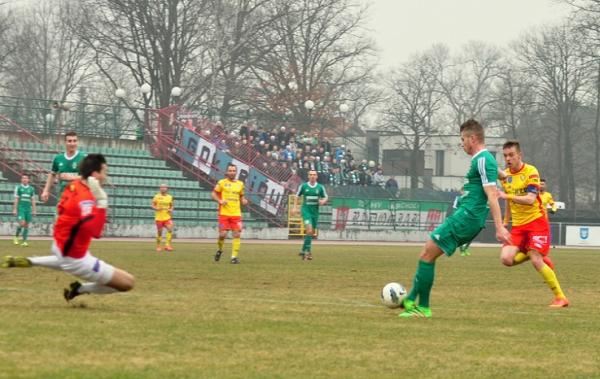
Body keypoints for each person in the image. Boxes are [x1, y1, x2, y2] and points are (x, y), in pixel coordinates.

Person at [398, 119, 511, 318]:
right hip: (467, 216)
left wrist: (500, 227)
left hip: (467, 217)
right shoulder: (484, 160)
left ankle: (422, 307)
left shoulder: (483, 159)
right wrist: (502, 174)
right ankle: (410, 300)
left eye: (463, 139)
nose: (462, 143)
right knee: (427, 253)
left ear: (473, 138)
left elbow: (492, 194)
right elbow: (495, 174)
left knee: (427, 255)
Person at [1, 154, 135, 302]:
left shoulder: (73, 185)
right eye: (104, 172)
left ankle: (30, 261)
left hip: (60, 244)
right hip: (76, 257)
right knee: (127, 282)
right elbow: (96, 232)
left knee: (64, 260)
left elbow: (64, 208)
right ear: (95, 174)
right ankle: (80, 288)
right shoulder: (85, 199)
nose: (106, 176)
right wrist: (102, 202)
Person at [497, 140, 569, 308]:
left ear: (519, 155)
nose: (508, 159)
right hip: (519, 227)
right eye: (505, 156)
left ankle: (561, 297)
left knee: (537, 260)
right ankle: (531, 253)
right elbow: (508, 202)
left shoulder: (531, 172)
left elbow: (530, 200)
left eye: (511, 155)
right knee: (506, 259)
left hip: (537, 222)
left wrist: (506, 196)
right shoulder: (506, 177)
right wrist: (505, 222)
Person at [212, 163, 248, 264]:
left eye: (233, 171)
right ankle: (220, 250)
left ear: (236, 172)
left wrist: (244, 200)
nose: (232, 172)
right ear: (227, 172)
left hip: (236, 214)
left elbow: (241, 196)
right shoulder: (222, 183)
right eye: (230, 171)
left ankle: (234, 257)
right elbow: (213, 193)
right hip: (223, 213)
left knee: (236, 234)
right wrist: (220, 201)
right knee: (222, 234)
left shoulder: (240, 184)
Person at [293, 170, 328, 261]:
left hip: (315, 212)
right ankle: (308, 252)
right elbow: (297, 196)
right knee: (309, 229)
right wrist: (295, 207)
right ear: (308, 176)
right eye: (311, 175)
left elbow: (325, 197)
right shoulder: (304, 186)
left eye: (314, 175)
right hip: (306, 211)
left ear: (317, 177)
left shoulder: (320, 187)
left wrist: (323, 201)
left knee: (311, 232)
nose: (312, 176)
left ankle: (303, 250)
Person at [41, 131, 86, 203]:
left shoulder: (83, 157)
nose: (72, 143)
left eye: (75, 141)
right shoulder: (58, 158)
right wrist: (46, 190)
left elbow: (89, 176)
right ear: (65, 142)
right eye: (69, 141)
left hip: (79, 199)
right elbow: (52, 174)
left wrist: (71, 177)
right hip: (63, 198)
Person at [13, 174, 37, 247]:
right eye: (23, 178)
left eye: (26, 178)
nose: (24, 179)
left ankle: (24, 241)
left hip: (28, 209)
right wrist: (14, 209)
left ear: (28, 180)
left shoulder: (31, 189)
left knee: (26, 225)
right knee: (22, 223)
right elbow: (16, 199)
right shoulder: (18, 188)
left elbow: (33, 200)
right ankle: (16, 236)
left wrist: (34, 210)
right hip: (21, 208)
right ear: (21, 180)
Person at [152, 183, 174, 252]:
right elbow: (152, 205)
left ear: (167, 189)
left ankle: (167, 245)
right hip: (159, 218)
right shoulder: (156, 196)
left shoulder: (170, 197)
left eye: (164, 187)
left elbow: (172, 205)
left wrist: (171, 209)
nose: (163, 188)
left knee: (170, 229)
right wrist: (156, 208)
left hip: (167, 217)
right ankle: (158, 246)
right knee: (160, 232)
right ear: (159, 188)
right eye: (161, 187)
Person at [450, 189, 471, 257]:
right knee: (461, 235)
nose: (464, 192)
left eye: (465, 190)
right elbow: (454, 207)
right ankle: (462, 251)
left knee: (470, 235)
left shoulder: (469, 199)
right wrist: (456, 216)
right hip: (459, 218)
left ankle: (465, 249)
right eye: (463, 190)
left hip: (467, 218)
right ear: (460, 191)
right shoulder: (458, 198)